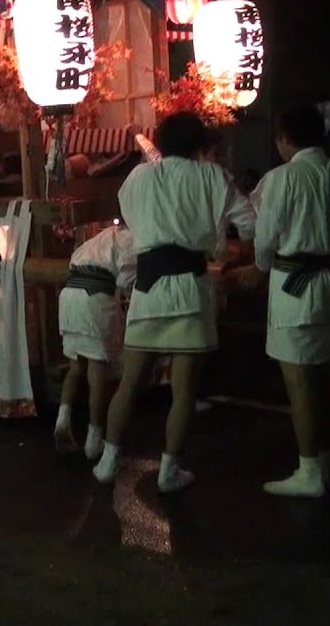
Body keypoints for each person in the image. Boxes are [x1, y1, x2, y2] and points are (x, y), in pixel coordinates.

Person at [93, 112, 257, 490]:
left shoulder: (138, 178)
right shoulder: (212, 175)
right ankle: (169, 469)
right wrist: (226, 243)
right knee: (184, 388)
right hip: (190, 287)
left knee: (130, 382)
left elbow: (130, 218)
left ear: (160, 142)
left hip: (148, 289)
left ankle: (107, 461)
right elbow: (249, 223)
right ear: (200, 143)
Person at [241, 106, 330, 497]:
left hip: (295, 288)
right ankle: (322, 463)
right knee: (324, 381)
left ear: (285, 139)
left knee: (300, 385)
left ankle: (309, 471)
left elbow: (266, 234)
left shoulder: (283, 177)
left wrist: (258, 267)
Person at [54, 221, 136, 459]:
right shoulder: (134, 239)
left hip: (69, 295)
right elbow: (125, 282)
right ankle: (94, 437)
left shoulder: (102, 236)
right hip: (95, 299)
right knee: (97, 367)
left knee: (76, 366)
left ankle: (63, 420)